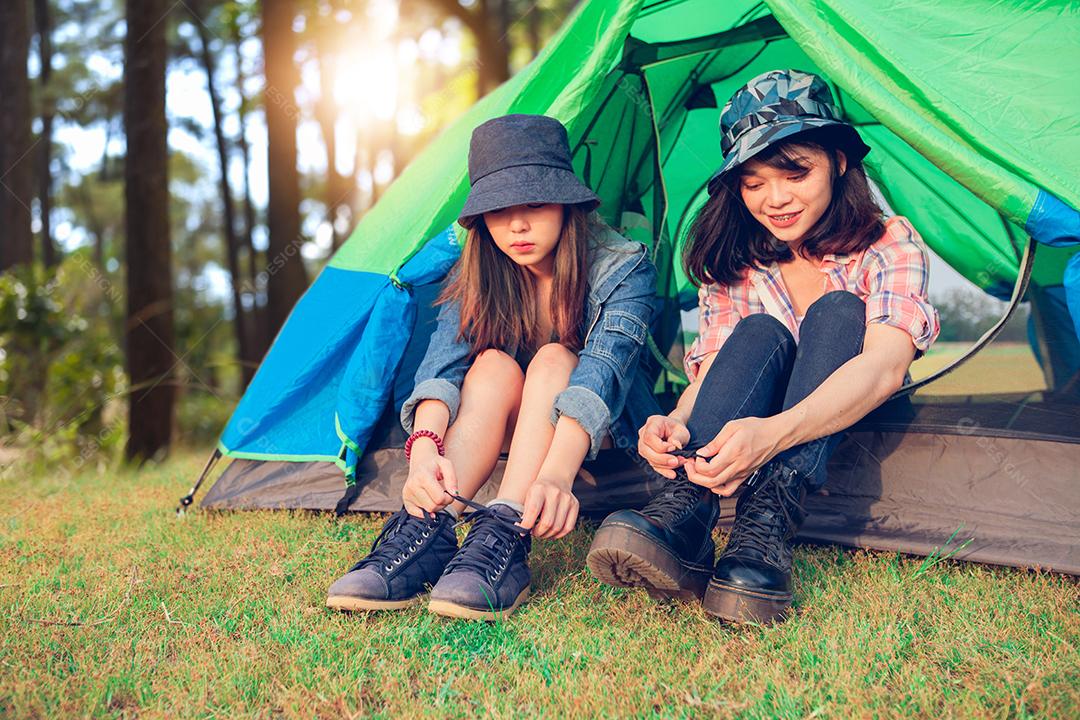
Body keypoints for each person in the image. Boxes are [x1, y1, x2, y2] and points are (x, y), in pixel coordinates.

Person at [587, 70, 940, 624]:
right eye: (753, 183)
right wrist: (677, 420)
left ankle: (765, 523)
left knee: (839, 310)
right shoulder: (738, 262)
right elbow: (718, 364)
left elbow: (883, 367)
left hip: (852, 414)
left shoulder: (888, 242)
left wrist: (771, 435)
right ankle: (688, 511)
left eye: (794, 173)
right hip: (748, 427)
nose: (774, 200)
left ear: (839, 162)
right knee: (757, 331)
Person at [327, 114, 659, 620]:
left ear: (568, 203)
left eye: (535, 204)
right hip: (504, 426)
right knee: (491, 364)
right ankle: (427, 524)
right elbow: (443, 363)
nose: (518, 225)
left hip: (592, 437)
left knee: (553, 358)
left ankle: (504, 531)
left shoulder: (623, 266)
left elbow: (602, 374)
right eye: (499, 210)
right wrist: (424, 451)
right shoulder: (480, 268)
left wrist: (554, 475)